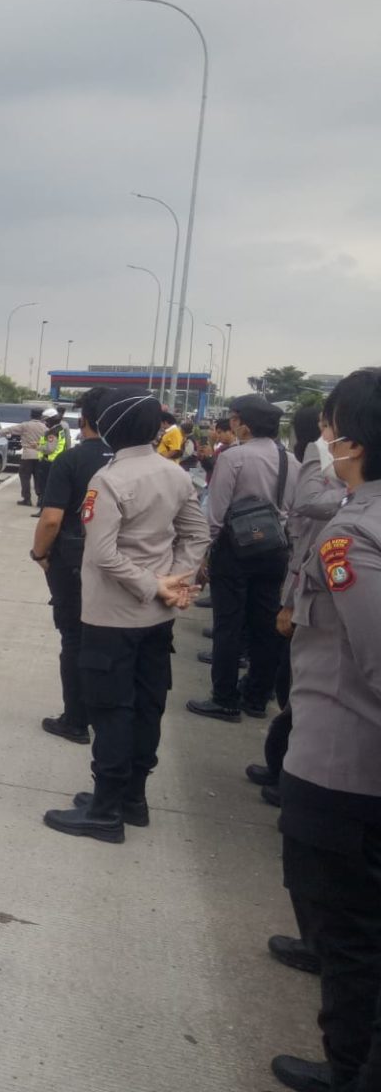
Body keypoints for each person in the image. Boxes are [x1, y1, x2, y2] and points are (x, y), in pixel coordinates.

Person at [272, 368, 381, 1092]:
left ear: (356, 438)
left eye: (333, 426)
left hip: (345, 769)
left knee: (348, 931)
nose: (326, 438)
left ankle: (350, 1071)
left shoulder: (355, 537)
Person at [43, 391, 209, 843]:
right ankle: (133, 798)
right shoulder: (174, 474)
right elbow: (197, 532)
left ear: (110, 429)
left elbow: (102, 554)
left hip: (114, 615)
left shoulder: (110, 479)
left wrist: (151, 584)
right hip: (158, 617)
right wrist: (175, 579)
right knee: (147, 704)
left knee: (111, 709)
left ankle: (105, 809)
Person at [250, 405, 347, 807]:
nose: (330, 437)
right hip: (301, 578)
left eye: (332, 427)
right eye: (325, 428)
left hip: (316, 595)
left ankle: (289, 775)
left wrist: (315, 454)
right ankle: (282, 768)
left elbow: (307, 504)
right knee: (290, 684)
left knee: (299, 691)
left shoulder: (323, 466)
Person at [187, 395, 296, 723]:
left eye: (233, 418)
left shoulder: (234, 457)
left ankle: (224, 698)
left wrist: (204, 555)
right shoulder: (292, 460)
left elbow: (216, 513)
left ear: (243, 425)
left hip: (236, 550)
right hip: (275, 549)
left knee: (229, 624)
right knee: (264, 624)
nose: (231, 424)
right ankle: (257, 697)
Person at [30, 388, 113, 744]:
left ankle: (75, 720)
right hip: (123, 568)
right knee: (111, 642)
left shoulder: (74, 460)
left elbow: (51, 519)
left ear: (84, 420)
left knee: (75, 639)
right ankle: (107, 718)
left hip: (74, 562)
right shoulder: (133, 462)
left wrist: (40, 554)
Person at [32, 406, 71, 517]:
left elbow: (49, 449)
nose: (45, 423)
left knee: (45, 488)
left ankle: (43, 510)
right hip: (57, 461)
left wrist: (37, 446)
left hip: (49, 463)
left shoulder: (52, 432)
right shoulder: (61, 429)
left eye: (46, 420)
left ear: (50, 420)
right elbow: (66, 445)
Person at [5, 408, 47, 507]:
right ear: (41, 416)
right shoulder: (45, 427)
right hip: (40, 455)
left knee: (25, 477)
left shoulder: (25, 425)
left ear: (31, 415)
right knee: (38, 478)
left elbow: (10, 429)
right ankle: (40, 499)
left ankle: (27, 498)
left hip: (27, 455)